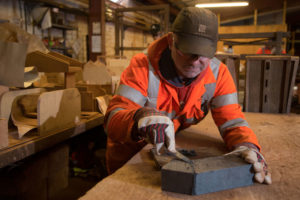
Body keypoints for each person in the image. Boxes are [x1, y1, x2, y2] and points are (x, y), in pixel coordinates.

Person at [104, 7, 272, 184]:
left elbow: (233, 122)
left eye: (203, 54)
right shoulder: (142, 68)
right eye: (186, 50)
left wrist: (247, 146)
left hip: (168, 162)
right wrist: (138, 118)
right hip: (129, 165)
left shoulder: (218, 75)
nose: (194, 61)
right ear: (171, 41)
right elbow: (112, 120)